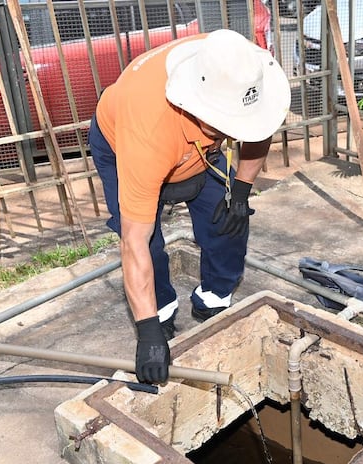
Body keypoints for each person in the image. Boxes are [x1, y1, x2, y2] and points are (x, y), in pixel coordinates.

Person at [88, 29, 291, 386]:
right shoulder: (148, 130)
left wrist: (241, 192)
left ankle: (214, 297)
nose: (237, 133)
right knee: (145, 243)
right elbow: (134, 244)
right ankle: (162, 310)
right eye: (229, 126)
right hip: (123, 140)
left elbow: (258, 131)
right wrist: (147, 331)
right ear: (196, 105)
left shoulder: (235, 69)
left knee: (228, 222)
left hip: (200, 151)